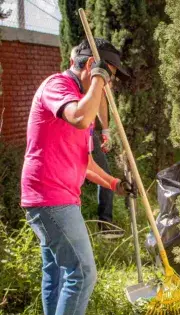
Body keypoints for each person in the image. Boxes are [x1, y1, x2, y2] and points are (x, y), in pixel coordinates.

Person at [21, 38, 131, 315]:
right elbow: (80, 118)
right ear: (86, 66)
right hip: (49, 198)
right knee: (82, 273)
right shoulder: (56, 86)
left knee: (56, 274)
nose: (106, 86)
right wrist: (97, 79)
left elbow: (84, 162)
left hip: (59, 196)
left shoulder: (82, 99)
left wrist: (114, 183)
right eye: (105, 76)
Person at [71, 47, 115, 229]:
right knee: (74, 179)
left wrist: (105, 130)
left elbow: (100, 100)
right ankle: (74, 224)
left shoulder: (91, 83)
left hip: (89, 136)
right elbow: (78, 118)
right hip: (74, 137)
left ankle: (105, 223)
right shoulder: (67, 87)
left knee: (104, 174)